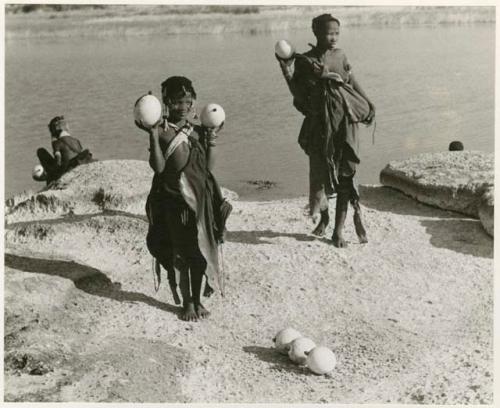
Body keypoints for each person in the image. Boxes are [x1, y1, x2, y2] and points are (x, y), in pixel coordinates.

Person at [136, 76, 231, 322]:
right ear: (166, 103)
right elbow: (157, 168)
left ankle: (198, 299)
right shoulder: (163, 132)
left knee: (199, 252)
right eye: (178, 102)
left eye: (188, 101)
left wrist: (212, 140)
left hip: (200, 202)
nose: (184, 107)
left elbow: (208, 168)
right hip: (175, 201)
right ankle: (187, 301)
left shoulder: (198, 132)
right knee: (181, 252)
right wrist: (152, 136)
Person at [276, 14, 375, 248]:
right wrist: (288, 72)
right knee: (320, 175)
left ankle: (338, 230)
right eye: (328, 33)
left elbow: (351, 81)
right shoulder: (305, 61)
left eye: (336, 33)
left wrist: (368, 103)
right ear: (316, 33)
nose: (333, 38)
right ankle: (325, 218)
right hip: (320, 126)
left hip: (345, 123)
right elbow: (300, 96)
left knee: (345, 176)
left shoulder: (340, 55)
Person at [36, 115, 94, 183]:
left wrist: (49, 171)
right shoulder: (76, 140)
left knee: (40, 151)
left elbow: (58, 162)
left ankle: (47, 176)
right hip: (76, 163)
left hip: (66, 168)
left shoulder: (57, 143)